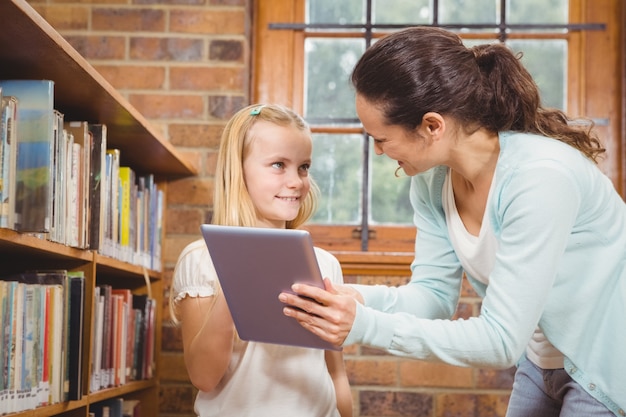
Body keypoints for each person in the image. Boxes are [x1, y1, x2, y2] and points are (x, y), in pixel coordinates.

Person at [279, 26, 626, 417]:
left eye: (381, 138)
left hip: (609, 362)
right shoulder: (432, 182)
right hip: (541, 358)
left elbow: (499, 341)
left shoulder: (540, 178)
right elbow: (433, 298)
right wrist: (356, 299)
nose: (377, 152)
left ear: (432, 126)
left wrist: (363, 326)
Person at [170, 103, 352, 417]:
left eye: (304, 167)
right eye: (279, 165)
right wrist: (236, 272)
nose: (297, 181)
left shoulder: (325, 264)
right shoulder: (200, 260)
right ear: (238, 171)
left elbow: (335, 373)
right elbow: (204, 377)